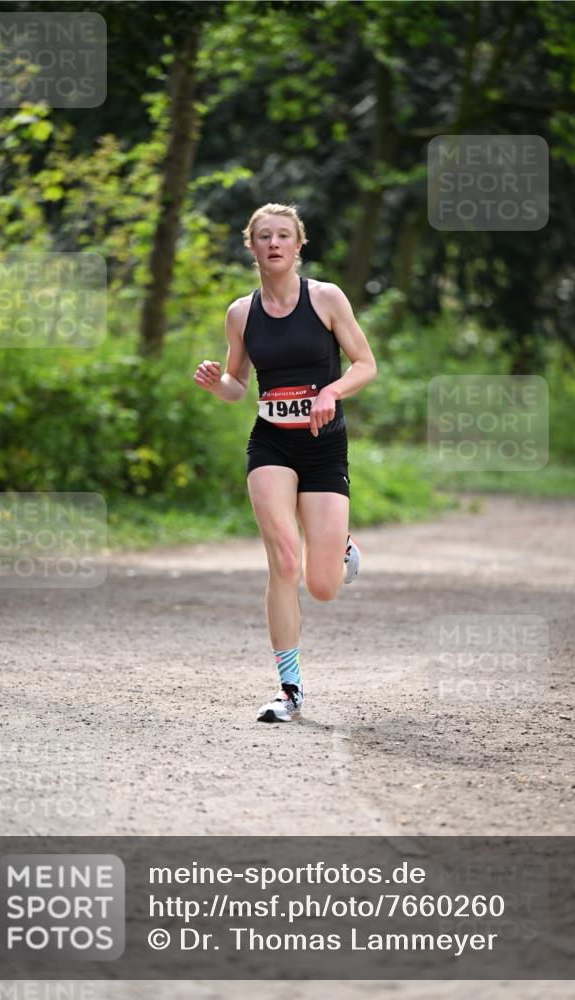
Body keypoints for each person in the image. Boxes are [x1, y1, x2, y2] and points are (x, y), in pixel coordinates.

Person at [194, 203, 377, 722]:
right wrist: (217, 383)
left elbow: (366, 364)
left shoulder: (326, 299)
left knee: (322, 586)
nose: (273, 244)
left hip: (324, 447)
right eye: (263, 236)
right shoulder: (240, 313)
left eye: (283, 236)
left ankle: (339, 545)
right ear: (250, 246)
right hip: (270, 442)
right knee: (283, 560)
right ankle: (290, 690)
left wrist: (333, 391)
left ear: (299, 246)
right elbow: (237, 386)